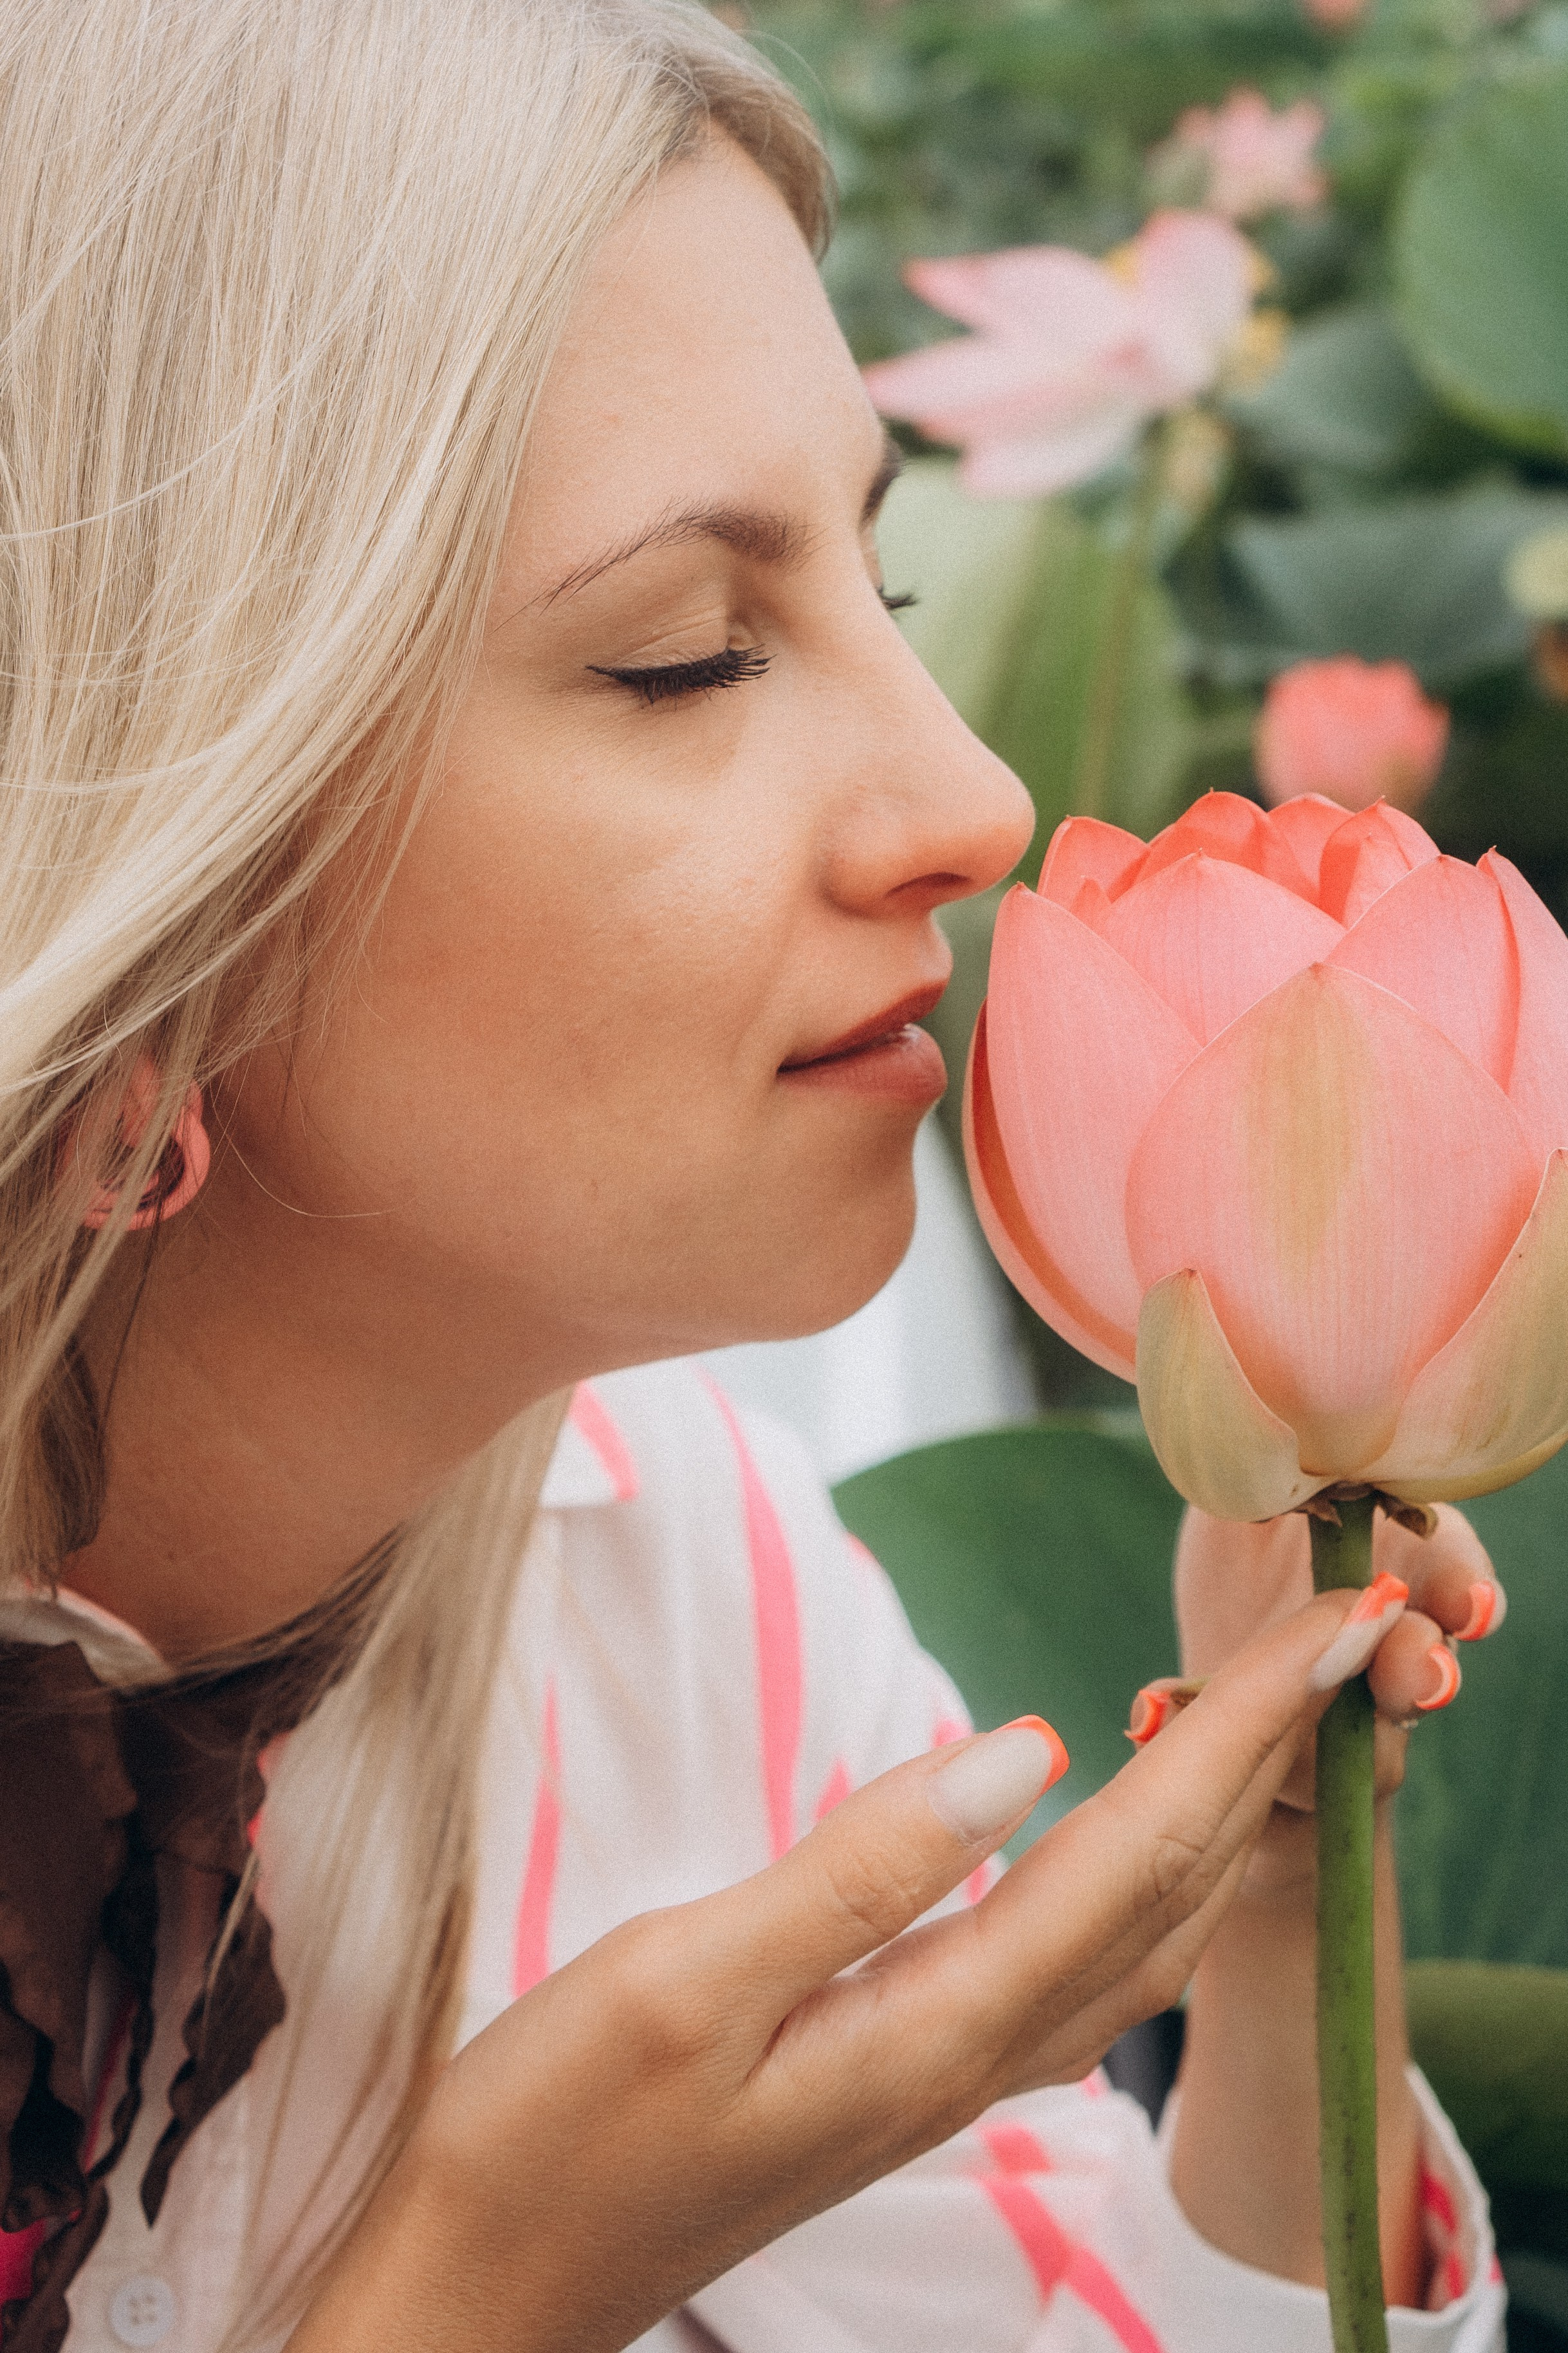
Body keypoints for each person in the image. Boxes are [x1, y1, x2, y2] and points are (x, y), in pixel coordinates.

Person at [0, 4, 1508, 2349]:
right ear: (135, 838)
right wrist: (473, 2294)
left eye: (877, 606)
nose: (980, 803)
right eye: (692, 659)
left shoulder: (693, 1584)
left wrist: (1299, 1909)